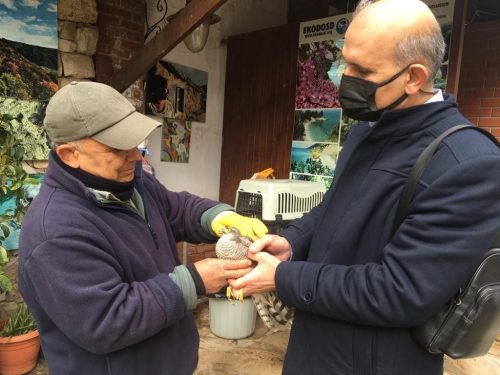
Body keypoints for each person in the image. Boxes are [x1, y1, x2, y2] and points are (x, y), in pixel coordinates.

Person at [230, 1, 500, 374]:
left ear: (414, 77)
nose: (342, 76)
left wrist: (283, 277)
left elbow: (399, 291)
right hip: (314, 346)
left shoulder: (467, 163)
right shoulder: (369, 128)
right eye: (344, 61)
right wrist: (293, 241)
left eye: (362, 70)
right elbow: (336, 205)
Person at [18, 81, 267, 375]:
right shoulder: (55, 231)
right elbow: (106, 320)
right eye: (117, 147)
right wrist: (194, 281)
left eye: (134, 142)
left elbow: (174, 208)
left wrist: (214, 216)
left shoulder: (131, 180)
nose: (135, 156)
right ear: (69, 155)